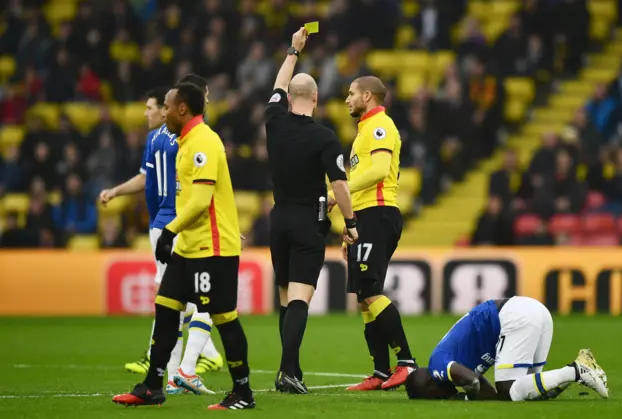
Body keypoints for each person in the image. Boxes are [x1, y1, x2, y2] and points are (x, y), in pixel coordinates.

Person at [112, 82, 254, 410]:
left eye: (166, 105)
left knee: (224, 317)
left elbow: (202, 200)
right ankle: (152, 386)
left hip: (212, 248)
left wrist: (168, 231)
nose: (162, 111)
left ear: (181, 109)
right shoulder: (186, 142)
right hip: (190, 246)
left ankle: (243, 393)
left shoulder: (204, 142)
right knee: (165, 307)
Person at [100, 79, 223, 396]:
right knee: (205, 300)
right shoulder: (191, 138)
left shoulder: (155, 138)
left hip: (161, 226)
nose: (149, 113)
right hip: (183, 225)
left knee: (172, 302)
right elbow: (200, 190)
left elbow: (148, 180)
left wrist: (116, 192)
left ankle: (172, 375)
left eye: (155, 107)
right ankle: (186, 369)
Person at [266, 28, 357, 394]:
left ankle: (293, 371)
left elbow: (277, 84)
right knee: (301, 298)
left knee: (286, 298)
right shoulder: (324, 137)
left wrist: (294, 50)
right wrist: (350, 223)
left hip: (279, 219)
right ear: (316, 99)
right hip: (308, 222)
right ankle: (287, 371)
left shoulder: (273, 120)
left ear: (289, 98)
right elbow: (339, 185)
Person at [330, 76, 415, 391]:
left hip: (379, 214)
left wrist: (337, 193)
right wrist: (348, 225)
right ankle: (380, 371)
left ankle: (405, 362)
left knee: (371, 291)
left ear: (367, 95)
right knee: (364, 298)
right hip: (365, 217)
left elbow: (379, 171)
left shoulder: (381, 125)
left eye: (351, 93)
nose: (347, 99)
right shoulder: (364, 130)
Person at [404, 296, 609, 401]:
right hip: (534, 311)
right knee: (530, 392)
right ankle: (580, 370)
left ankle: (576, 370)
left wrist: (465, 397)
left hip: (513, 316)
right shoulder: (452, 360)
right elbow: (489, 394)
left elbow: (472, 381)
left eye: (434, 396)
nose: (442, 397)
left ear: (429, 384)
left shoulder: (437, 364)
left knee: (509, 389)